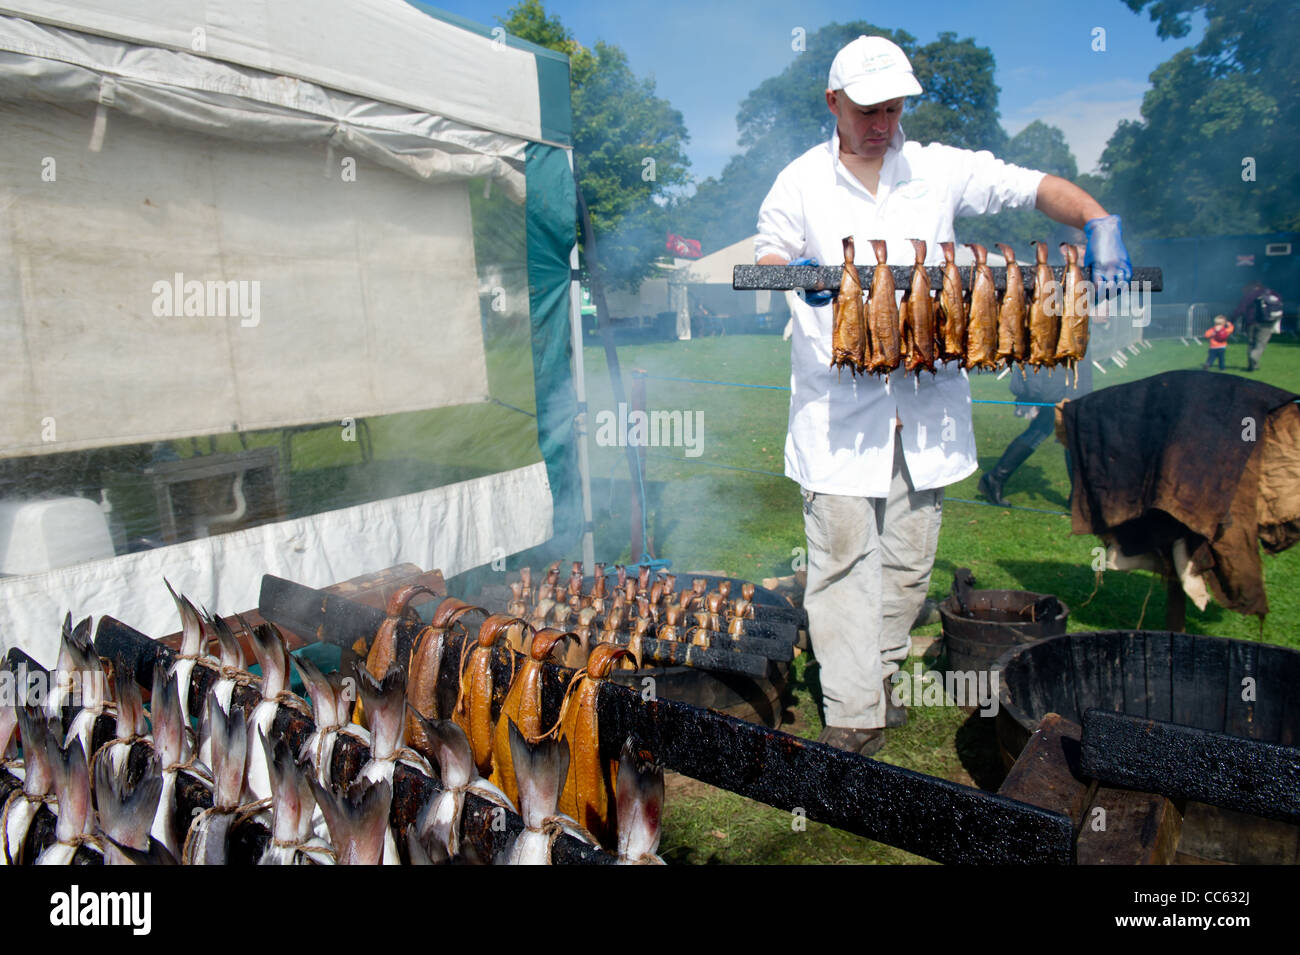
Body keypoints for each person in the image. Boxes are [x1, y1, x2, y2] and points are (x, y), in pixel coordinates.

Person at [755, 35, 1131, 754]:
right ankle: (853, 708)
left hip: (922, 411)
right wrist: (793, 272)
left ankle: (883, 669)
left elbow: (1032, 186)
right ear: (833, 103)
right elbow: (765, 257)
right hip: (836, 409)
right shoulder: (798, 181)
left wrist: (1097, 218)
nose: (882, 123)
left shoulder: (937, 169)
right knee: (840, 559)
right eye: (867, 109)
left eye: (894, 108)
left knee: (908, 558)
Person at [1233, 282, 1284, 372]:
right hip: (1267, 322)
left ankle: (1251, 364)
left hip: (1251, 322)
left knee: (1251, 343)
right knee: (1261, 343)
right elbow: (1279, 304)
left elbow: (1241, 309)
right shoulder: (1272, 293)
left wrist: (1231, 320)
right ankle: (1254, 359)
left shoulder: (1249, 295)